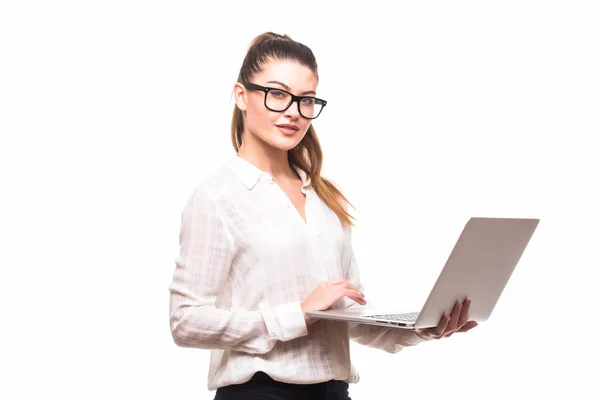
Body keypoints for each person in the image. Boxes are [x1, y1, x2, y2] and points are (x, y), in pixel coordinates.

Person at [168, 32, 478, 400]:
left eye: (306, 100)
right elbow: (185, 321)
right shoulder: (217, 197)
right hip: (259, 394)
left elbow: (347, 319)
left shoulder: (325, 198)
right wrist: (295, 313)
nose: (294, 112)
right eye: (278, 94)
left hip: (334, 393)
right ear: (241, 96)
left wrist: (422, 327)